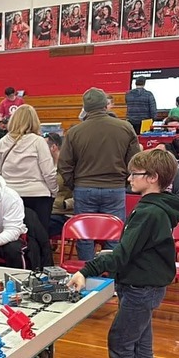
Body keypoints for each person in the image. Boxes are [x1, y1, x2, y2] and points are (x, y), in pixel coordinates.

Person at [69, 149, 179, 358]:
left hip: (141, 288)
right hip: (140, 283)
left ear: (152, 177)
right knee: (139, 343)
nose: (129, 177)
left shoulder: (149, 212)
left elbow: (124, 253)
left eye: (134, 173)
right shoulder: (155, 207)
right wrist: (110, 256)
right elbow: (134, 250)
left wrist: (87, 270)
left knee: (121, 339)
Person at [60, 88, 139, 262]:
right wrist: (125, 182)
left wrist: (75, 184)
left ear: (85, 108)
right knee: (114, 234)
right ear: (106, 105)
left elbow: (64, 164)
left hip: (84, 188)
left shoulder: (74, 132)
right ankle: (111, 278)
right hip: (115, 188)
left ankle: (87, 277)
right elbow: (134, 161)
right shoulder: (125, 128)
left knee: (85, 235)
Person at [0, 105, 58, 233]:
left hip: (10, 195)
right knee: (39, 235)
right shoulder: (39, 142)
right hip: (38, 195)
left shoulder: (2, 142)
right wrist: (53, 191)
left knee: (12, 233)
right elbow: (48, 172)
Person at [47, 133, 74, 238]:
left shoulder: (70, 167)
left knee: (39, 227)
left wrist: (65, 204)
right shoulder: (45, 166)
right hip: (49, 210)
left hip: (63, 213)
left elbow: (82, 192)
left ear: (53, 147)